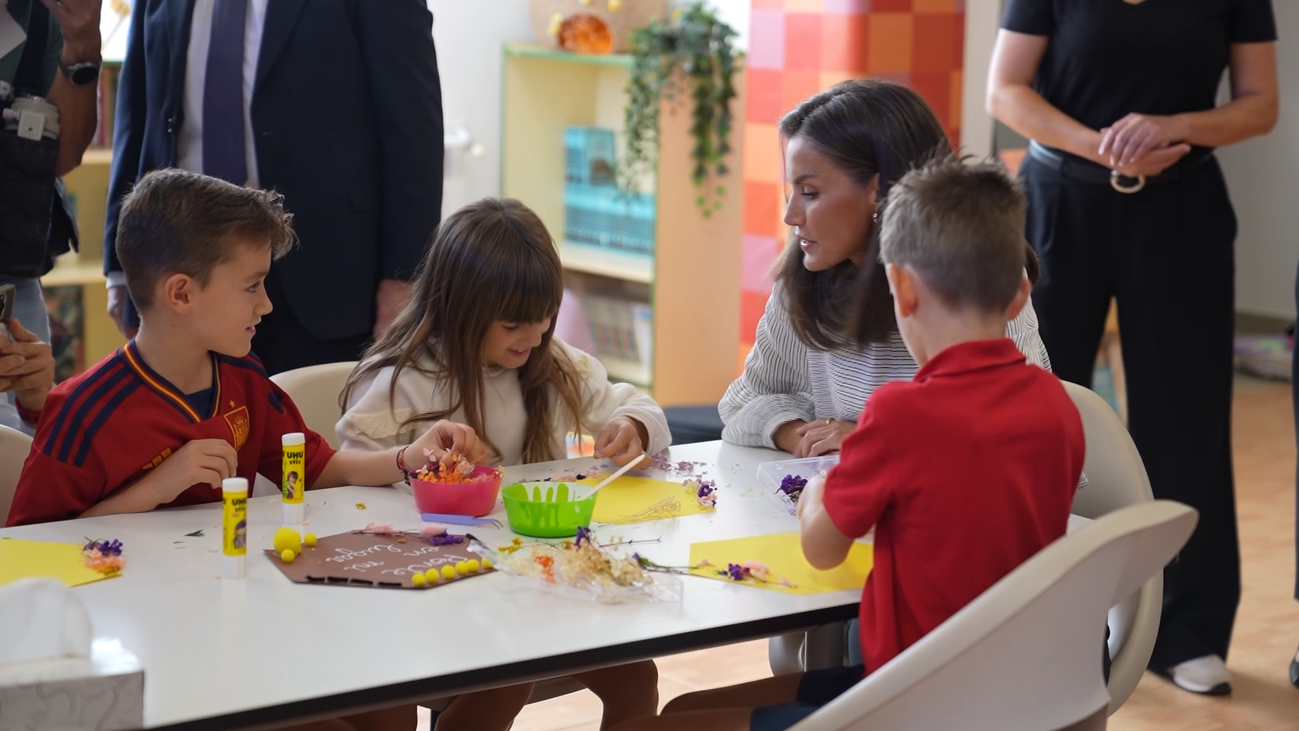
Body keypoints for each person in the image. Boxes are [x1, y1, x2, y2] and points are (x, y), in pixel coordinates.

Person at [612, 158, 1085, 731]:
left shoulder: (899, 415)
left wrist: (824, 487)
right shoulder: (1055, 404)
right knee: (689, 708)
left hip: (912, 702)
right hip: (1007, 688)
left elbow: (821, 548)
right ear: (1018, 294)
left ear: (901, 290)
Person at [987, 0, 1279, 695]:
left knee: (1186, 427)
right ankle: (1043, 629)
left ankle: (1185, 630)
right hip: (1058, 205)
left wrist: (1173, 126)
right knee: (1037, 417)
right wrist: (1105, 145)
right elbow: (1004, 91)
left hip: (1182, 210)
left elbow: (1258, 103)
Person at [337, 197, 667, 730]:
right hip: (442, 588)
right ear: (460, 308)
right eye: (515, 323)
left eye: (544, 319)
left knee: (636, 676)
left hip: (538, 580)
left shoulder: (551, 363)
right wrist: (416, 467)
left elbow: (639, 405)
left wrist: (634, 428)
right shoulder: (410, 379)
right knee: (507, 671)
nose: (534, 337)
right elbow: (343, 473)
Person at [104, 0, 444, 374]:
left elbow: (413, 128)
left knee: (314, 425)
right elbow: (136, 113)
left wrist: (404, 276)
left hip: (326, 275)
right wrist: (119, 266)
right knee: (194, 429)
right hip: (182, 267)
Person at [718, 79, 1051, 459]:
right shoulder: (805, 275)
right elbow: (744, 401)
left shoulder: (977, 279)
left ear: (878, 190)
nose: (790, 215)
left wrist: (873, 439)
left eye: (809, 193)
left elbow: (1017, 432)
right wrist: (803, 434)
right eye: (791, 191)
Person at [0, 0, 101, 433]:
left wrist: (80, 43)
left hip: (10, 271)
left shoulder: (39, 15)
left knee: (23, 443)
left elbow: (61, 156)